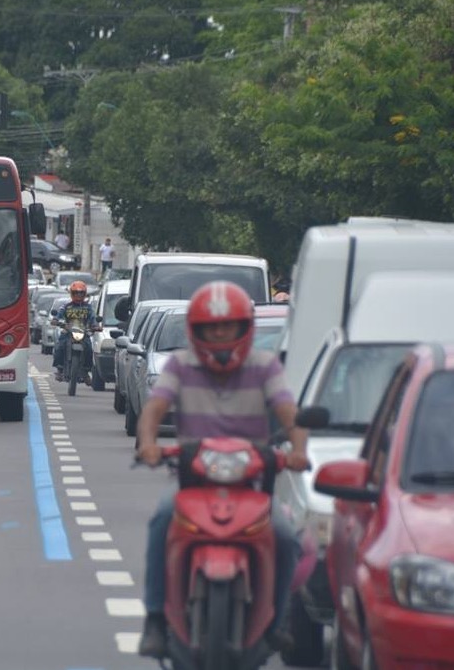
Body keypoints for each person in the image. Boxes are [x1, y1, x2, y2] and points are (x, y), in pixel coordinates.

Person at [136, 280, 311, 658]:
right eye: (211, 327)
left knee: (285, 537)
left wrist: (299, 451)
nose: (219, 335)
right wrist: (148, 443)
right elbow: (154, 408)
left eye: (227, 326)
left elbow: (289, 412)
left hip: (253, 485)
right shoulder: (180, 365)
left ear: (244, 328)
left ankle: (277, 622)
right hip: (192, 483)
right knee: (162, 520)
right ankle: (155, 618)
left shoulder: (265, 366)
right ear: (195, 330)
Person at [50, 280, 98, 381]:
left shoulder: (88, 307)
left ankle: (86, 372)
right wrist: (56, 320)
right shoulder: (66, 306)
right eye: (76, 293)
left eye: (81, 293)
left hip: (83, 332)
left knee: (89, 349)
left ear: (84, 294)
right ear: (72, 293)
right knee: (59, 346)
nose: (78, 295)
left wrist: (95, 326)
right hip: (68, 332)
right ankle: (59, 369)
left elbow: (93, 318)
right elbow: (59, 315)